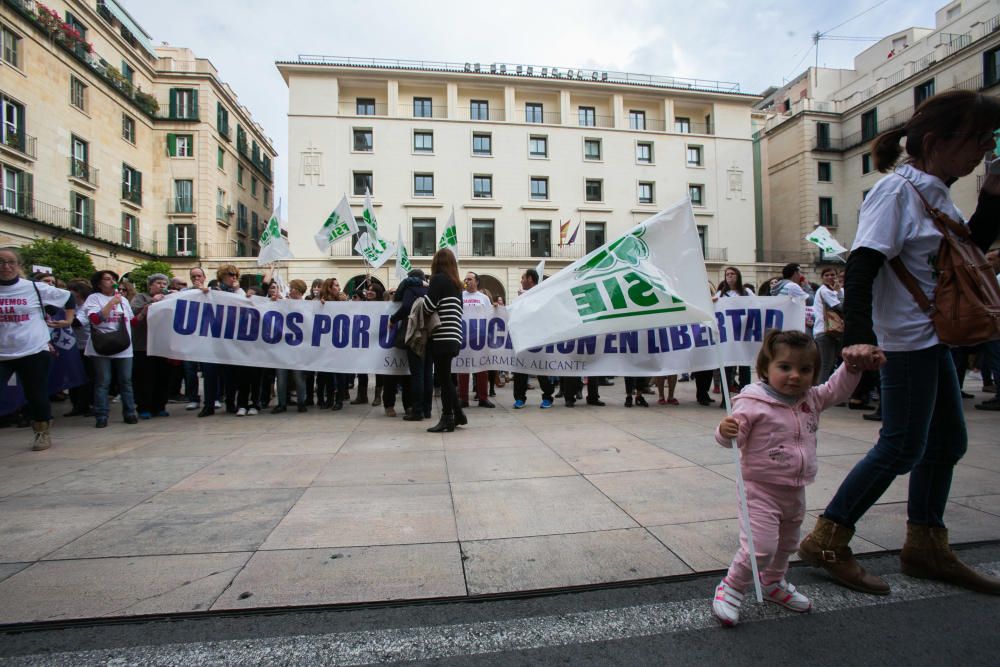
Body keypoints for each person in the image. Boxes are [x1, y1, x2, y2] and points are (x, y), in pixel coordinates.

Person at [799, 90, 1000, 596]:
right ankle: (828, 539)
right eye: (977, 140)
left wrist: (994, 194)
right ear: (936, 142)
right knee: (902, 445)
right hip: (905, 342)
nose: (983, 149)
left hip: (933, 338)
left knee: (947, 442)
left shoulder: (936, 192)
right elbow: (863, 265)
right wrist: (860, 340)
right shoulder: (896, 192)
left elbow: (966, 250)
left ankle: (926, 546)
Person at [711, 330, 877, 626]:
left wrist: (851, 368)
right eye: (784, 367)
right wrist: (725, 432)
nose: (795, 376)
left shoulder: (810, 399)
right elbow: (731, 439)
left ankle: (773, 583)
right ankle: (732, 586)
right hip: (759, 488)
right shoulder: (752, 402)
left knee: (788, 544)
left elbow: (837, 390)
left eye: (805, 369)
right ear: (765, 368)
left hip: (795, 488)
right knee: (760, 547)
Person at [0, 248, 76, 450]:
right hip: (3, 350)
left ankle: (42, 432)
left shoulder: (33, 288)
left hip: (33, 349)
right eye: (1, 262)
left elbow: (68, 297)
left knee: (36, 393)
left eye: (10, 262)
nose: (5, 266)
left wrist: (67, 320)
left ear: (18, 266)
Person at [79, 270, 137, 428]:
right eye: (107, 279)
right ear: (99, 283)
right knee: (103, 381)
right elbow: (96, 319)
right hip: (101, 345)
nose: (111, 282)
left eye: (113, 279)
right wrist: (112, 303)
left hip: (123, 345)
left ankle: (130, 412)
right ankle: (101, 415)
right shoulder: (94, 298)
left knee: (126, 381)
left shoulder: (123, 300)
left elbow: (131, 321)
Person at [421, 249, 466, 432]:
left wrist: (424, 297)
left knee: (444, 378)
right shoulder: (457, 285)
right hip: (454, 335)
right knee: (446, 377)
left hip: (441, 335)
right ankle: (458, 414)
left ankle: (447, 417)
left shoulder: (438, 279)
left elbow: (428, 306)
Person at [512, 269, 557, 409]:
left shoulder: (542, 294)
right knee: (520, 369)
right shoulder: (520, 297)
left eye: (523, 278)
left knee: (541, 369)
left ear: (530, 279)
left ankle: (548, 396)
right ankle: (519, 398)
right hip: (523, 338)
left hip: (539, 339)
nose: (521, 281)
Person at [392, 269, 432, 421]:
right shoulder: (429, 289)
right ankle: (427, 409)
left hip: (415, 335)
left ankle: (417, 410)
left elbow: (407, 306)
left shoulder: (410, 288)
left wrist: (393, 319)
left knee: (417, 374)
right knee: (428, 373)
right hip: (430, 334)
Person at [130, 273, 172, 419]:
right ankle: (144, 407)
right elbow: (134, 316)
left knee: (162, 377)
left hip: (162, 346)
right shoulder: (140, 298)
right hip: (143, 346)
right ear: (150, 285)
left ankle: (160, 406)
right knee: (144, 378)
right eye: (159, 283)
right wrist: (152, 302)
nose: (162, 286)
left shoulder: (170, 298)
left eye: (164, 284)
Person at [716, 266, 755, 399]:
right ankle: (725, 398)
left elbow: (758, 305)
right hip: (728, 337)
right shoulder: (720, 294)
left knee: (744, 367)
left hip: (743, 335)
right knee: (727, 368)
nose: (730, 276)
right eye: (727, 274)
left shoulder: (747, 292)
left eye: (732, 274)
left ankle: (745, 396)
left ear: (738, 276)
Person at [458, 272, 495, 408]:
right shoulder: (460, 296)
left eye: (470, 279)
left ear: (477, 282)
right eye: (465, 279)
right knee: (463, 368)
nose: (467, 281)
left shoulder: (484, 298)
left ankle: (483, 398)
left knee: (482, 369)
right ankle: (463, 398)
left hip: (480, 339)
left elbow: (490, 315)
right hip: (464, 337)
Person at [272, 279, 308, 414]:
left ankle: (301, 402)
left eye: (291, 288)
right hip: (282, 347)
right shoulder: (284, 303)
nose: (289, 290)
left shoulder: (307, 305)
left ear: (297, 290)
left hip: (298, 349)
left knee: (299, 377)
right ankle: (282, 403)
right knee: (281, 378)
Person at [813, 267, 845, 384]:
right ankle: (819, 393)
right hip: (824, 331)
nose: (830, 277)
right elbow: (840, 307)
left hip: (830, 332)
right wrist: (839, 292)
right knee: (826, 365)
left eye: (832, 275)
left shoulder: (831, 291)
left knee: (830, 364)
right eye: (826, 275)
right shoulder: (824, 291)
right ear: (822, 278)